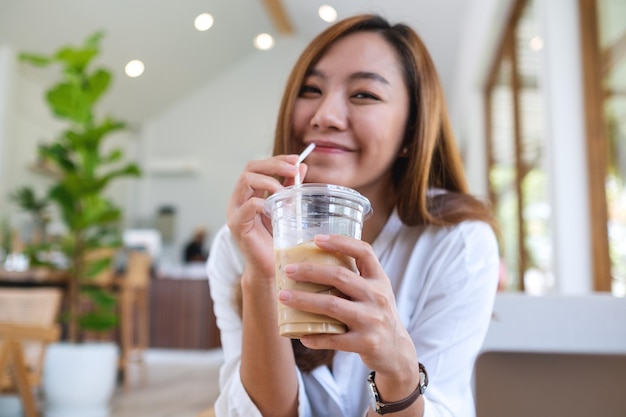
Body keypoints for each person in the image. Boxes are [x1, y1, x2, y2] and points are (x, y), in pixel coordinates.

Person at [207, 14, 499, 417]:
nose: (324, 115)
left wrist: (398, 372)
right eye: (311, 90)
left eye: (364, 95)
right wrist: (261, 277)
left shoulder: (457, 241)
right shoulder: (240, 241)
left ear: (411, 131)